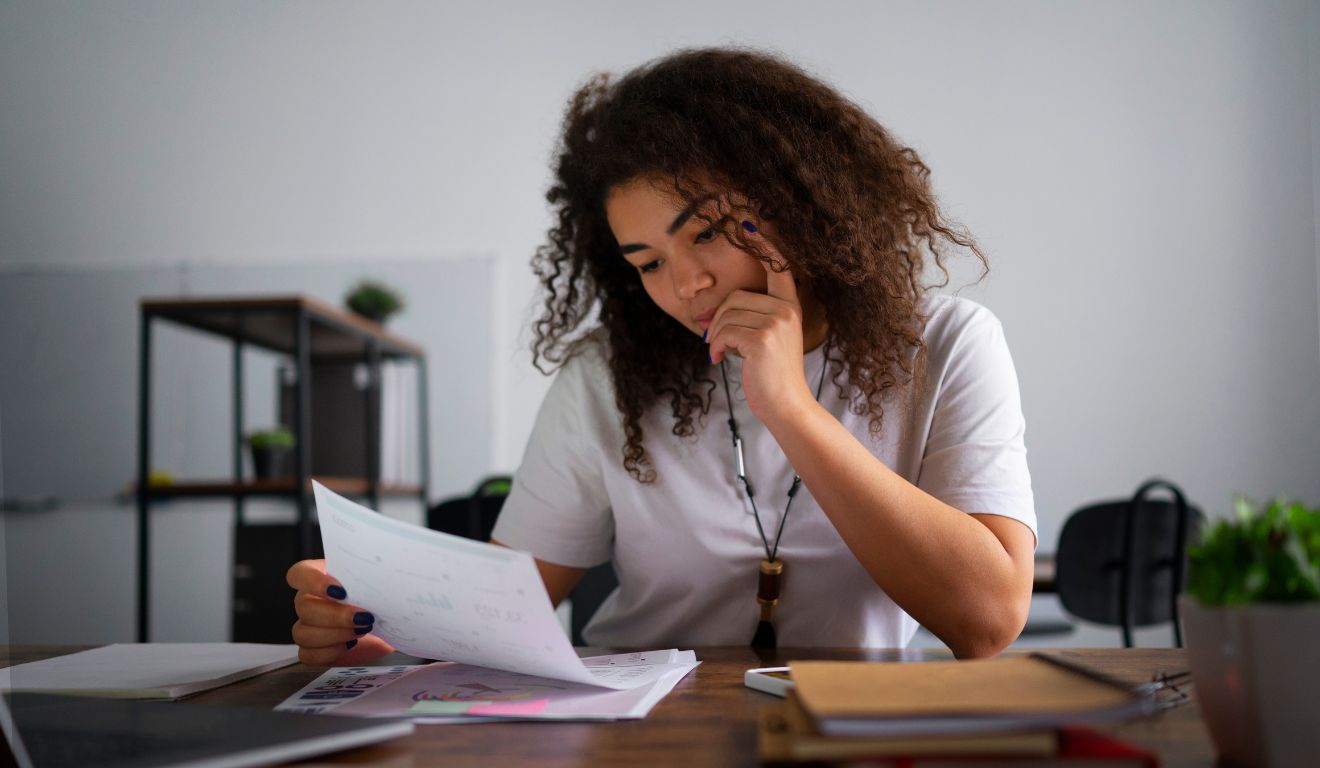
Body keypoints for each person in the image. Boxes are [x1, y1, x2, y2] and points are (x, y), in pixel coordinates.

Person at [287, 47, 1036, 665]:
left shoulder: (945, 344)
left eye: (706, 232)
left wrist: (791, 409)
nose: (685, 286)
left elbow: (988, 620)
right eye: (647, 263)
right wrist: (379, 623)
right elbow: (503, 603)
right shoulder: (608, 375)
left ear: (797, 200)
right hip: (643, 723)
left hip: (844, 727)